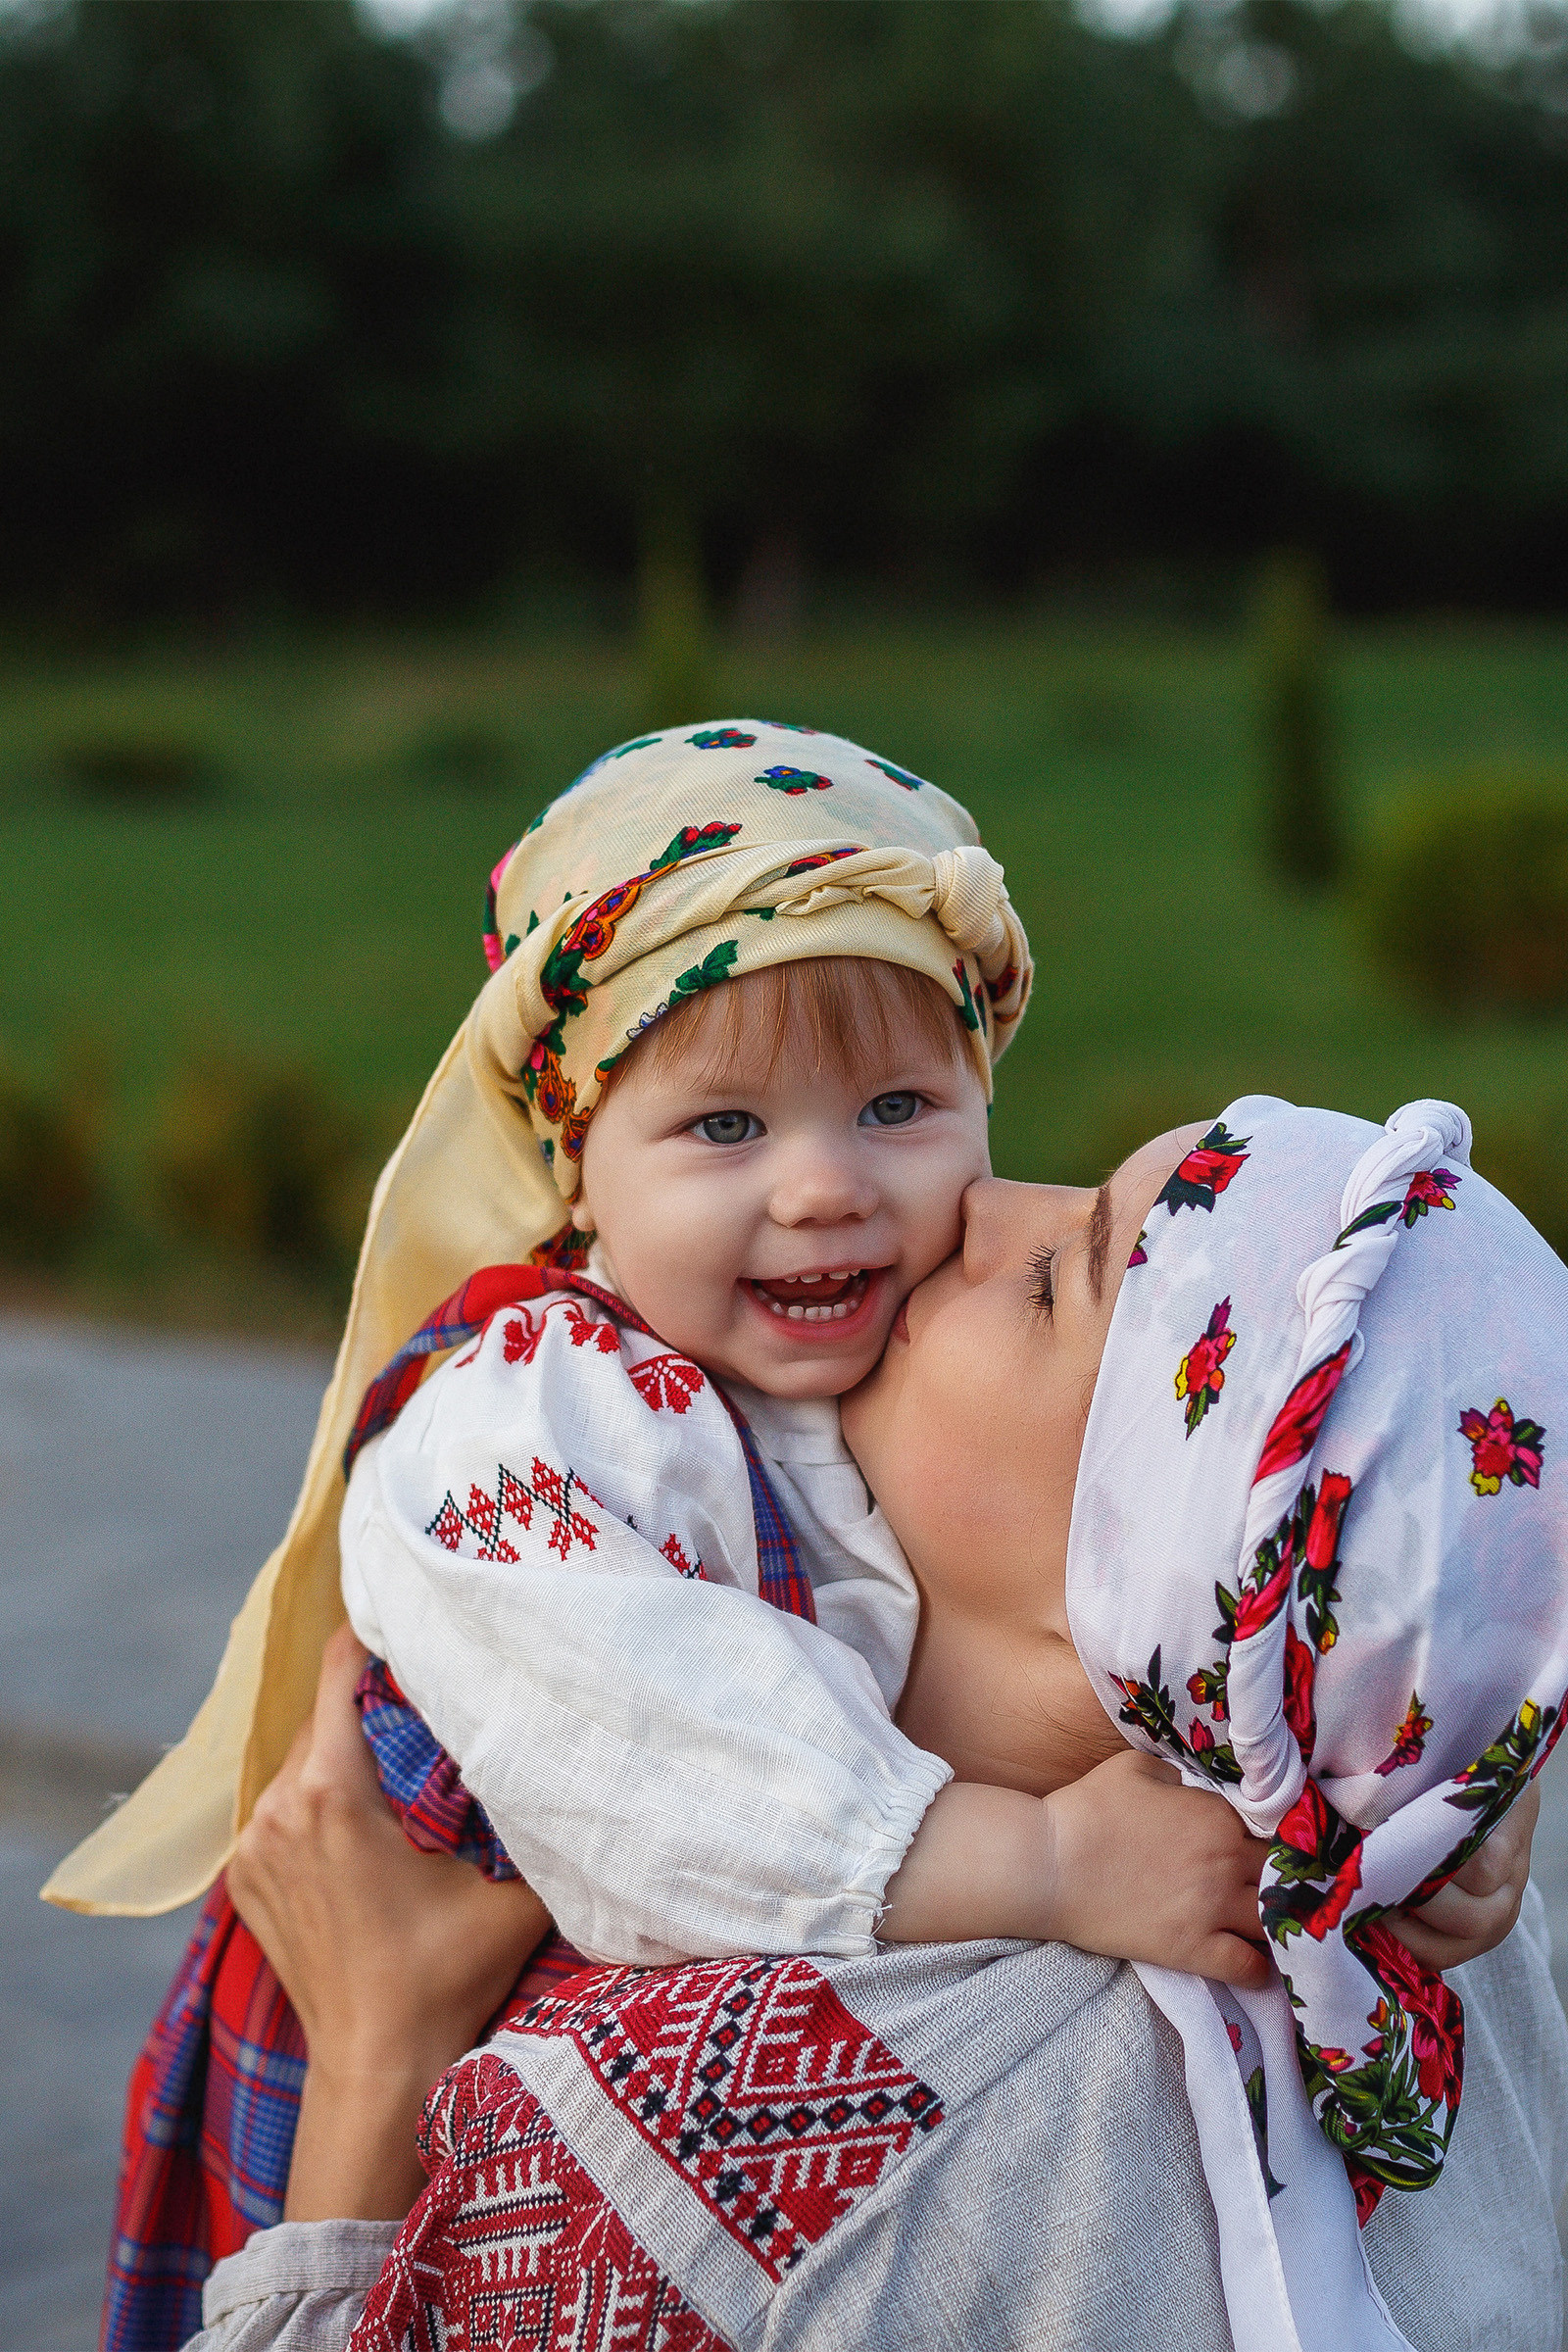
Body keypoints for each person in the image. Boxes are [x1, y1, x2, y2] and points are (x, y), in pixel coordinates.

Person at [181, 1104, 1565, 2352]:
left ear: (1131, 1575)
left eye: (1049, 1282)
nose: (979, 1204)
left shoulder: (707, 2145)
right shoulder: (1453, 1938)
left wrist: (372, 2067)